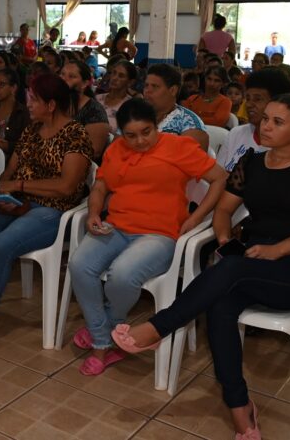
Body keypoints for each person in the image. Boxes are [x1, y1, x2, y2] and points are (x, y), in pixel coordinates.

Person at [115, 95, 290, 439]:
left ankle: (159, 328)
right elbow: (223, 211)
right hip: (252, 264)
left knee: (231, 271)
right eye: (265, 118)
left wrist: (277, 249)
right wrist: (223, 237)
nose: (265, 126)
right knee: (221, 303)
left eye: (277, 122)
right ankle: (240, 408)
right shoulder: (251, 163)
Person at [69, 98, 227, 375]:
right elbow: (101, 186)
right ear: (121, 134)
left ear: (156, 126)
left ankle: (103, 335)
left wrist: (196, 216)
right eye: (131, 135)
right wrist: (94, 213)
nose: (140, 141)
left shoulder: (178, 147)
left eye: (146, 132)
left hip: (160, 233)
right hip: (117, 226)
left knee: (122, 275)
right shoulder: (116, 149)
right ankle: (104, 336)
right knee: (79, 265)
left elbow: (220, 178)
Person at [0, 74, 91, 356]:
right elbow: (8, 174)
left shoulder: (75, 134)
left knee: (1, 245)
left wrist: (21, 187)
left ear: (51, 104)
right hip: (17, 204)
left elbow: (66, 187)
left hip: (52, 211)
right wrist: (6, 196)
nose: (28, 104)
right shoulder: (31, 131)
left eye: (33, 99)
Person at [219, 69, 290, 173]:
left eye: (257, 99)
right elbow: (219, 177)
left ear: (278, 102)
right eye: (248, 98)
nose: (249, 104)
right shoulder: (236, 134)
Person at [142, 64, 209, 153]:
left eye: (155, 86)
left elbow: (188, 164)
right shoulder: (135, 116)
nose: (148, 91)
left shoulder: (190, 124)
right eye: (146, 85)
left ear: (173, 90)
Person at [59, 59, 110, 159]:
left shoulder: (94, 111)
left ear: (84, 84)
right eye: (62, 74)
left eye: (72, 76)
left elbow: (94, 151)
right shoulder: (53, 104)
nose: (64, 79)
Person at [0, 68, 29, 159]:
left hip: (9, 162)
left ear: (13, 88)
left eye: (1, 84)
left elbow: (28, 145)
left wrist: (8, 146)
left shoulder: (22, 114)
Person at [94, 60, 135, 133]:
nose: (114, 78)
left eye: (121, 76)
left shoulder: (131, 106)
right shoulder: (97, 99)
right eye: (114, 73)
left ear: (130, 82)